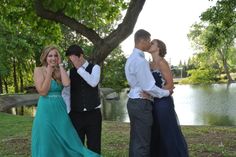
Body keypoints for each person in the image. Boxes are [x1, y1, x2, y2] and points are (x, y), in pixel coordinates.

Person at [31, 45, 100, 157]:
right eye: (50, 55)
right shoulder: (38, 70)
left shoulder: (60, 71)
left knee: (65, 141)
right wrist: (49, 72)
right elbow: (43, 92)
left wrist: (60, 66)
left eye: (56, 55)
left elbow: (67, 84)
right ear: (45, 57)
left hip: (60, 109)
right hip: (46, 110)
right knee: (47, 139)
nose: (53, 58)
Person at [124, 29, 173, 157]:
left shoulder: (131, 58)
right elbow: (149, 86)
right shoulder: (141, 61)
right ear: (143, 41)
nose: (150, 43)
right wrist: (166, 93)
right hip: (141, 103)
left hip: (134, 101)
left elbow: (138, 84)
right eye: (149, 41)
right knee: (143, 143)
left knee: (136, 139)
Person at [148, 39, 189, 157]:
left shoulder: (162, 62)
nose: (150, 44)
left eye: (152, 43)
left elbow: (170, 85)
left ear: (158, 47)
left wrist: (154, 93)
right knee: (155, 131)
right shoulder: (149, 64)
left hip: (163, 104)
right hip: (152, 103)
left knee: (167, 131)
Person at [65, 44, 102, 155]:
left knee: (94, 147)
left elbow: (93, 82)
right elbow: (66, 93)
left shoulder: (95, 68)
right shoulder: (69, 73)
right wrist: (68, 111)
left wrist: (79, 69)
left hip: (93, 115)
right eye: (71, 61)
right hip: (76, 115)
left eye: (74, 60)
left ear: (81, 56)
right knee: (77, 147)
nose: (73, 63)